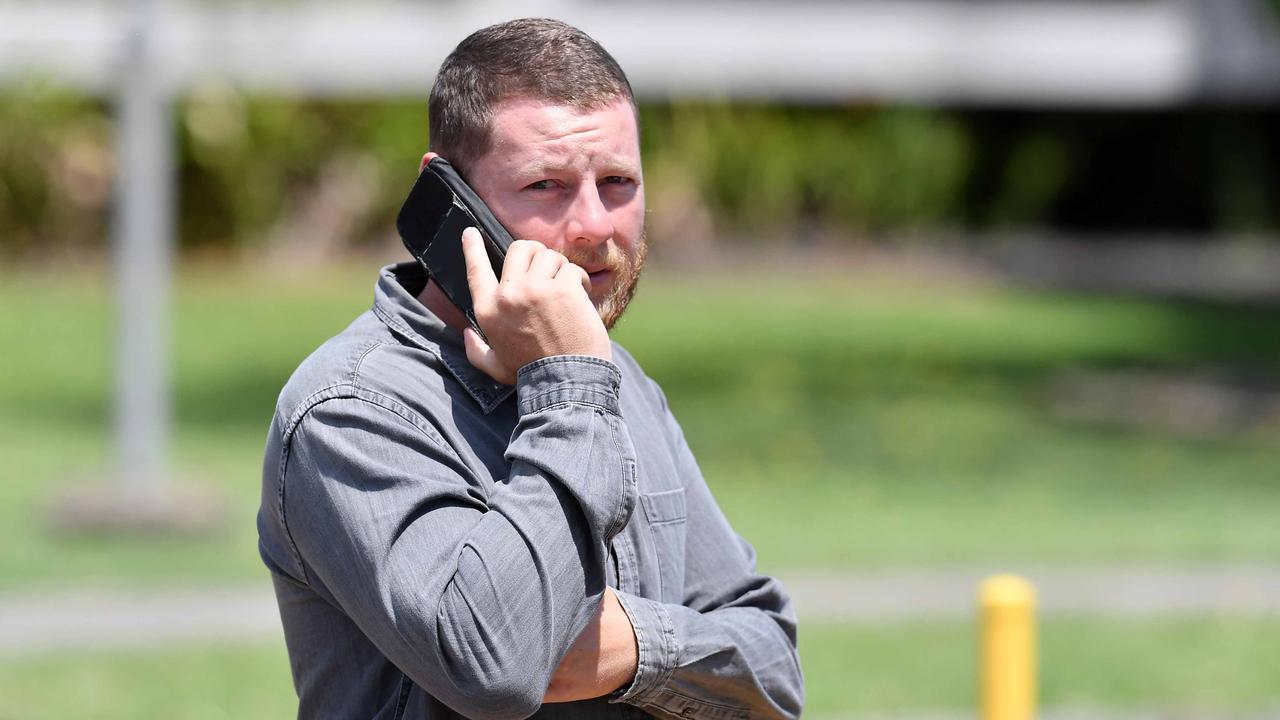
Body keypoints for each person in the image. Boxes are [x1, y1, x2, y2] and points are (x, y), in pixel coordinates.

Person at [258, 18, 803, 720]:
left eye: (617, 183)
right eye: (545, 184)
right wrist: (570, 390)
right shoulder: (349, 409)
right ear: (446, 196)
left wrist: (637, 648)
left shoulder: (615, 382)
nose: (595, 227)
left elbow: (776, 670)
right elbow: (495, 665)